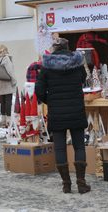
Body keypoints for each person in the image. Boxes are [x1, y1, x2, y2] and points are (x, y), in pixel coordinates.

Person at [35, 38, 91, 194]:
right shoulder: (78, 63)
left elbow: (39, 90)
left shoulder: (46, 66)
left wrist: (50, 100)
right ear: (68, 47)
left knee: (59, 149)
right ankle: (81, 183)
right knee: (79, 146)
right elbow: (83, 80)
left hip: (57, 112)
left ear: (54, 48)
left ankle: (66, 184)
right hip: (76, 110)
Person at [0, 45, 17, 128]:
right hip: (7, 82)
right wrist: (14, 80)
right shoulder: (6, 58)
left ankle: (3, 120)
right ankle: (8, 120)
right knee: (8, 101)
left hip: (0, 82)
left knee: (3, 101)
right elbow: (10, 71)